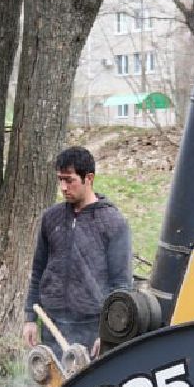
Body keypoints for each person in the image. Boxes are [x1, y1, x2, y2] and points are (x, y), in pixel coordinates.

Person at [22, 146, 132, 355]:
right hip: (51, 324)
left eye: (69, 180)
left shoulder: (113, 222)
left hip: (92, 328)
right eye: (60, 179)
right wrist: (30, 318)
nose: (63, 187)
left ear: (88, 178)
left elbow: (122, 285)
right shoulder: (51, 218)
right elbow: (38, 270)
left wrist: (109, 331)